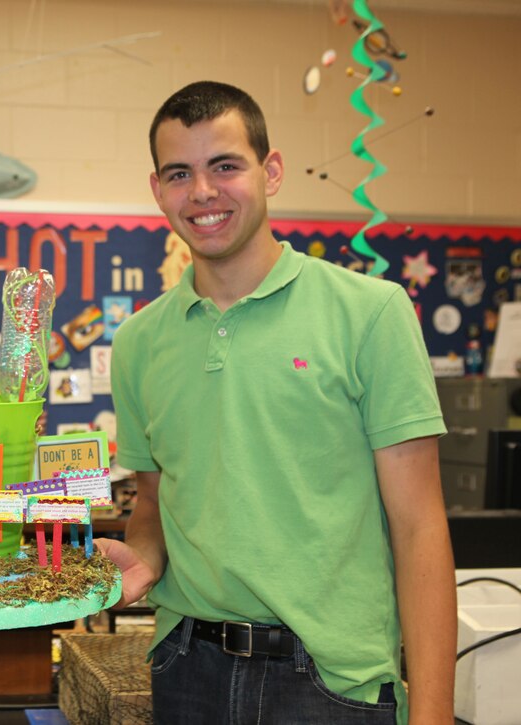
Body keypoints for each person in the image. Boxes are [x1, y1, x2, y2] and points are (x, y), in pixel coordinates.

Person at [98, 81, 456, 724]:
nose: (203, 192)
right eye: (180, 173)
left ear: (272, 171)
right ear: (157, 190)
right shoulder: (138, 342)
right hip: (186, 671)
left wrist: (432, 713)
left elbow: (420, 528)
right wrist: (144, 558)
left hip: (331, 682)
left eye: (225, 166)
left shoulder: (371, 314)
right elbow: (155, 499)